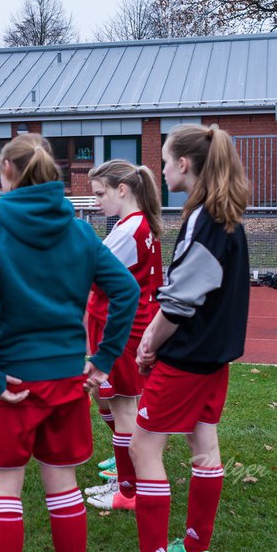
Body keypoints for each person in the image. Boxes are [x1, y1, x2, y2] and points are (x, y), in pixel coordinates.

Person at [0, 133, 139, 552]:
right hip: (64, 380)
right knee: (63, 489)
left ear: (8, 174)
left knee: (3, 492)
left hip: (11, 380)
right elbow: (125, 290)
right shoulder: (81, 232)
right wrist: (100, 362)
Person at [97, 123, 250, 552]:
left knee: (144, 448)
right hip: (214, 360)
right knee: (205, 448)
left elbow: (181, 301)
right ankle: (195, 549)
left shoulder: (206, 220)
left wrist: (150, 343)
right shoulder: (227, 218)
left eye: (165, 162)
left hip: (187, 360)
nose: (161, 171)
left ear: (185, 164)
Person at [80, 160, 164, 512]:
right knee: (118, 404)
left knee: (124, 408)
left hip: (121, 327)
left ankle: (128, 490)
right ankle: (124, 476)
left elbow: (95, 276)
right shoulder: (138, 225)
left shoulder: (130, 230)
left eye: (100, 194)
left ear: (122, 190)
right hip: (126, 324)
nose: (96, 201)